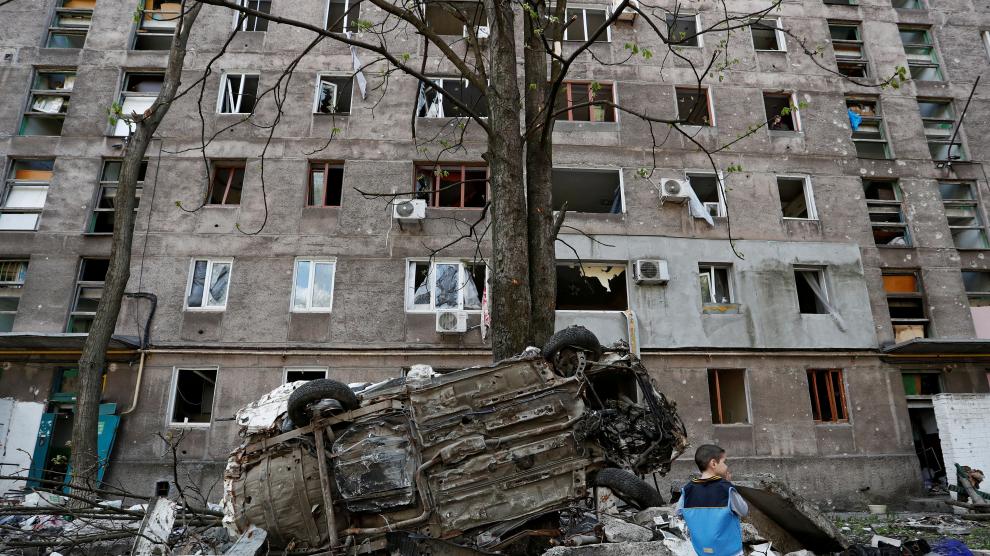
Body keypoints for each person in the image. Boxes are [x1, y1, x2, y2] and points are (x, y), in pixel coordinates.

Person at [676, 444, 749, 556]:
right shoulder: (726, 489)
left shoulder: (687, 490)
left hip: (701, 551)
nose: (726, 466)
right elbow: (743, 510)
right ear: (713, 463)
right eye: (724, 462)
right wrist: (729, 484)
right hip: (729, 552)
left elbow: (678, 513)